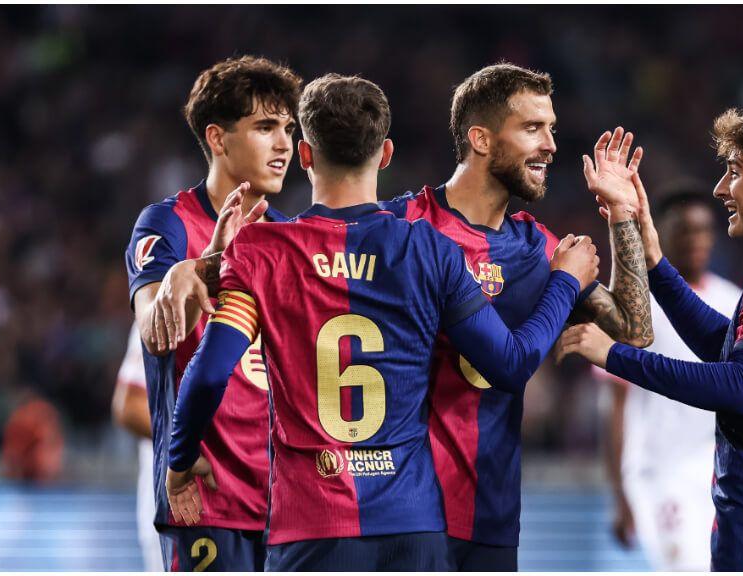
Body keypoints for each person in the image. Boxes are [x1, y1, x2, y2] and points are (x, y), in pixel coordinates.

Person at [148, 63, 655, 571]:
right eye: (532, 128)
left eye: (551, 129)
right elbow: (510, 361)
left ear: (305, 154)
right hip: (414, 513)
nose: (550, 143)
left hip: (414, 515)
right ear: (388, 153)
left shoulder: (532, 247)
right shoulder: (418, 238)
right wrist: (189, 268)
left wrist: (621, 217)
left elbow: (634, 331)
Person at [561, 105, 743, 571]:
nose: (721, 189)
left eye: (735, 172)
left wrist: (613, 355)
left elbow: (738, 386)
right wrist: (655, 260)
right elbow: (729, 347)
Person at [124, 55, 302, 571]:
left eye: (288, 129)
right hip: (205, 498)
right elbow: (154, 327)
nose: (284, 144)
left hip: (290, 504)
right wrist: (204, 267)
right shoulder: (168, 223)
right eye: (265, 127)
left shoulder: (290, 239)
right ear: (218, 139)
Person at [598, 188, 740, 570]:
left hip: (720, 475)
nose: (695, 240)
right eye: (684, 230)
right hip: (659, 473)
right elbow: (615, 404)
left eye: (703, 230)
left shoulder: (735, 302)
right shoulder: (633, 304)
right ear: (660, 231)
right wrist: (619, 493)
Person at [111, 323, 164, 572]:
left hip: (255, 502)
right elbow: (129, 406)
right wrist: (200, 444)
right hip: (176, 507)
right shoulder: (160, 296)